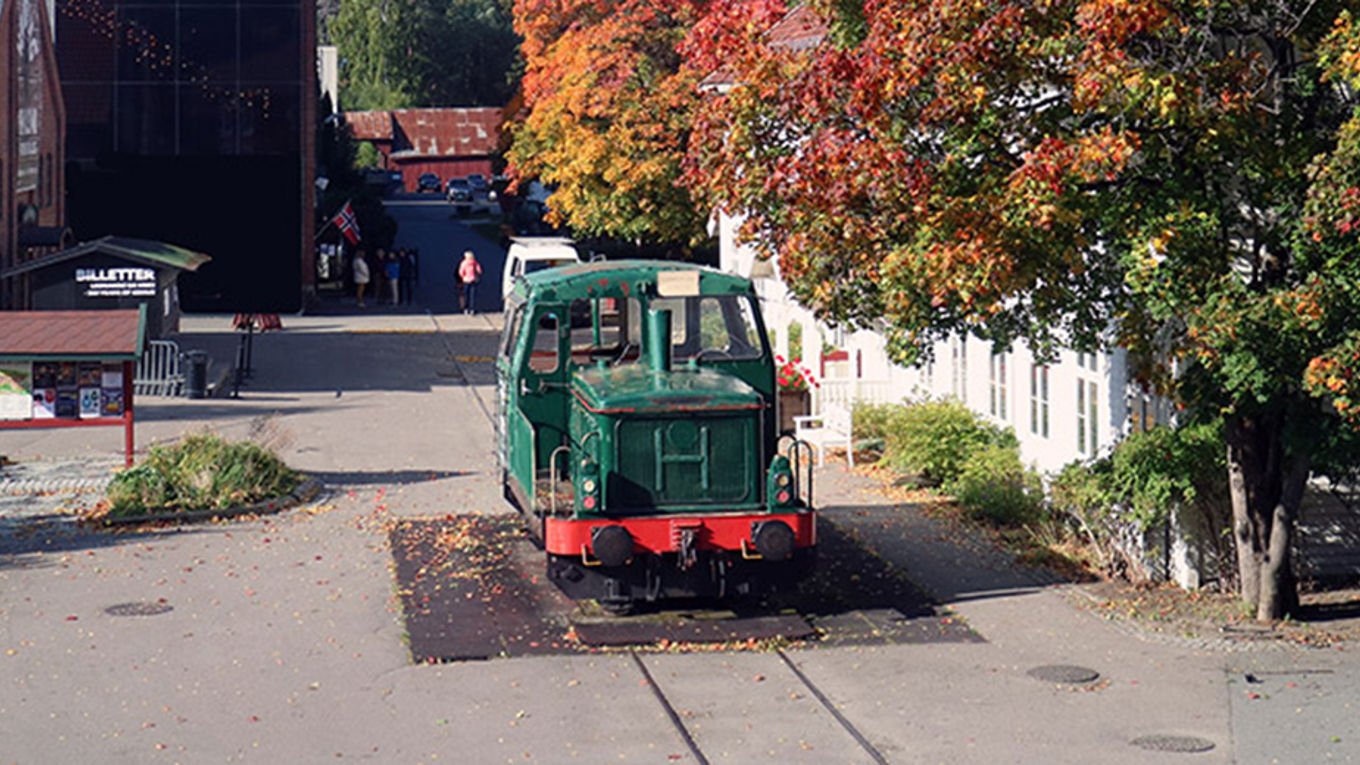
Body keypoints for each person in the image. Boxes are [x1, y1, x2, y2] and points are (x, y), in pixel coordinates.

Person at [458, 250, 482, 314]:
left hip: (466, 280)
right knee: (472, 295)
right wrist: (477, 275)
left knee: (465, 295)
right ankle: (472, 308)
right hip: (473, 280)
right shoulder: (475, 262)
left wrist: (463, 277)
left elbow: (461, 272)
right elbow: (479, 270)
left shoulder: (464, 263)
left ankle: (466, 308)